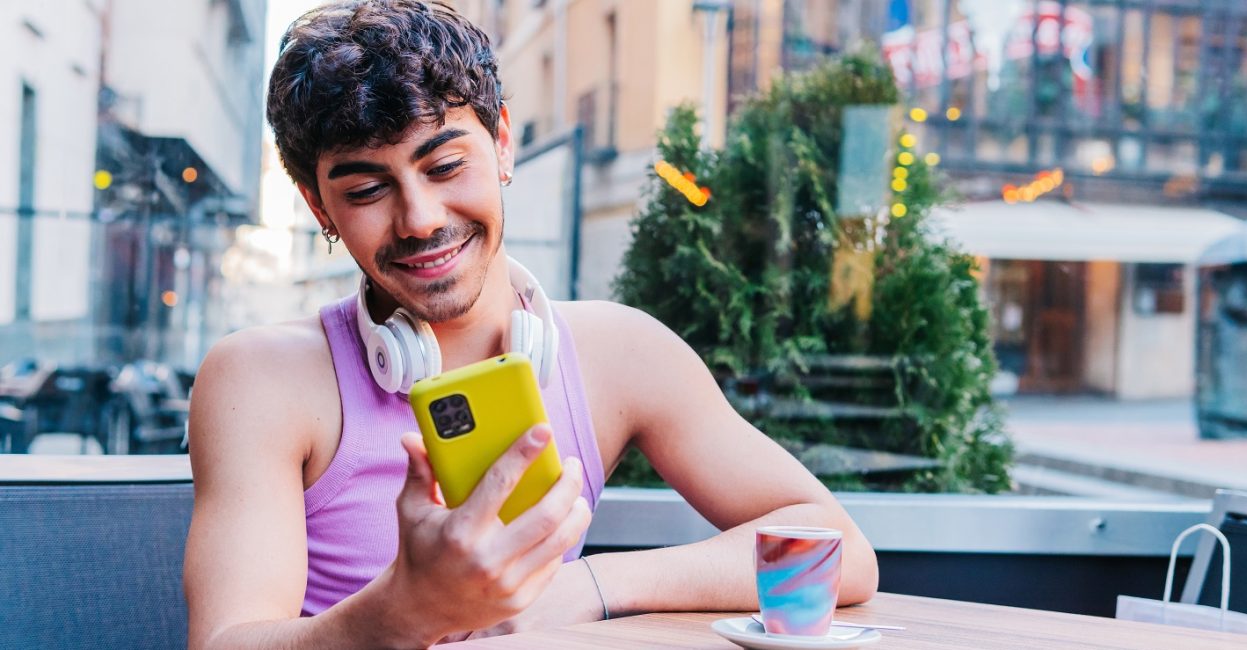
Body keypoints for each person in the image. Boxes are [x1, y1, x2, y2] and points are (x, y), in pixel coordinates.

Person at [183, 1, 877, 647]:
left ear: (503, 143)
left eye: (446, 164)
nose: (420, 218)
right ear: (318, 208)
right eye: (366, 189)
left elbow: (837, 549)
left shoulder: (620, 353)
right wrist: (406, 609)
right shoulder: (260, 378)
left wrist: (589, 585)